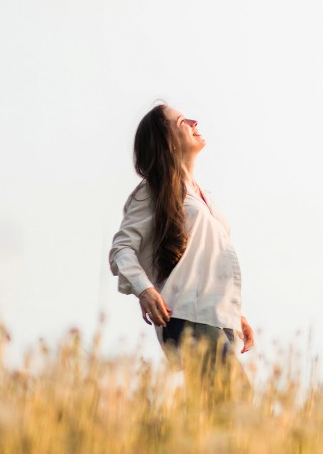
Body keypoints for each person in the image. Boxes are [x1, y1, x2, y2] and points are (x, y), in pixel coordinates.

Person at [108, 104, 254, 393]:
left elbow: (205, 261)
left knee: (210, 410)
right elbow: (122, 248)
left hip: (216, 316)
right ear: (168, 141)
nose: (194, 121)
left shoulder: (203, 197)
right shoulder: (154, 191)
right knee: (236, 398)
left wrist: (237, 313)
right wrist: (144, 289)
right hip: (187, 315)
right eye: (181, 121)